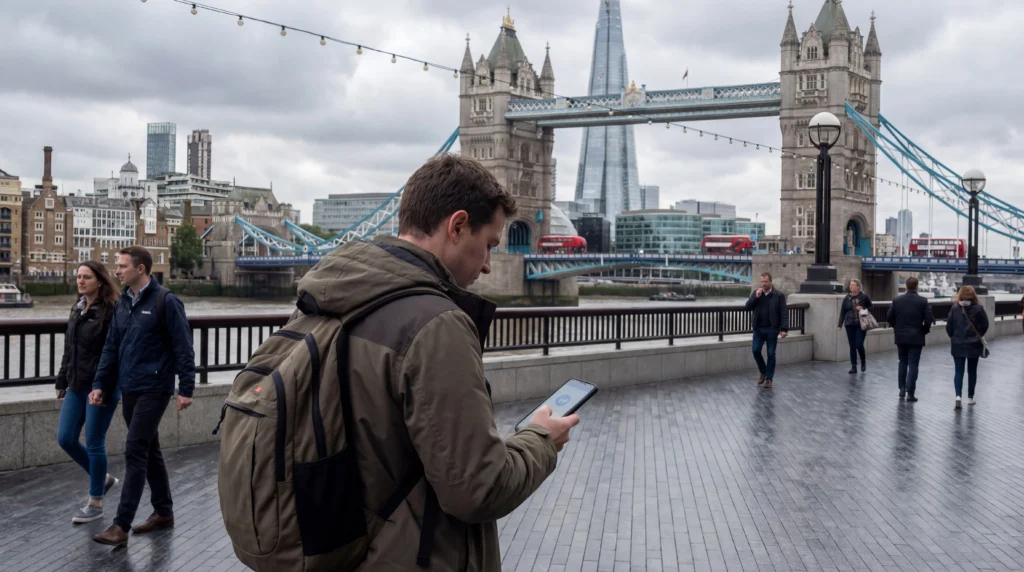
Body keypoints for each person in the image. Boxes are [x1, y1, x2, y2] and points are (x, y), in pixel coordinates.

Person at [282, 153, 579, 569]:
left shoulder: (325, 299)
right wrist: (541, 439)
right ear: (457, 226)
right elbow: (478, 489)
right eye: (489, 245)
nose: (491, 264)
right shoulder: (435, 324)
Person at [91, 246, 195, 548]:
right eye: (118, 266)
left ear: (141, 269)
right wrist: (101, 384)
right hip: (129, 387)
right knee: (151, 450)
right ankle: (163, 511)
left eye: (123, 266)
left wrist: (186, 388)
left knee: (135, 450)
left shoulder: (166, 301)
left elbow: (183, 347)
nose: (118, 271)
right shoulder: (123, 303)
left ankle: (120, 526)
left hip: (155, 387)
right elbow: (111, 348)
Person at [55, 261, 122, 524]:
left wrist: (102, 385)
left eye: (86, 277)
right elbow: (69, 349)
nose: (80, 281)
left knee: (94, 442)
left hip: (101, 387)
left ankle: (95, 503)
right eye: (78, 277)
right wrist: (62, 380)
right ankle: (103, 479)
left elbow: (113, 353)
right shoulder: (78, 308)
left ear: (100, 281)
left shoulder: (111, 311)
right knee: (66, 438)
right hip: (76, 385)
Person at [886, 277, 933, 402]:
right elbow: (929, 319)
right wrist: (924, 330)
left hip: (901, 336)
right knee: (913, 365)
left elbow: (889, 317)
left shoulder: (897, 300)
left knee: (902, 362)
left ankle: (901, 388)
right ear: (917, 286)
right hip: (916, 337)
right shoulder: (923, 301)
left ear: (906, 286)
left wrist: (897, 327)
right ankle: (910, 393)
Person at [945, 285, 989, 410]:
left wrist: (954, 337)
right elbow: (985, 324)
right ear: (973, 295)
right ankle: (970, 397)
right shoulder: (979, 308)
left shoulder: (955, 308)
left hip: (958, 344)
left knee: (958, 371)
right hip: (974, 344)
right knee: (972, 371)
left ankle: (958, 396)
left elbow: (949, 326)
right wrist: (978, 335)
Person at [745, 272, 788, 389]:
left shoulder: (778, 295)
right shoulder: (756, 293)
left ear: (771, 282)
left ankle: (769, 379)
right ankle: (763, 371)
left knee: (770, 354)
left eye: (765, 282)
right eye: (762, 282)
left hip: (772, 329)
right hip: (758, 328)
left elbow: (784, 312)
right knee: (755, 350)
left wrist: (784, 328)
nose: (763, 284)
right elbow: (747, 307)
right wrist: (755, 297)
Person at [837, 279, 873, 374]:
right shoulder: (847, 298)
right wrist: (839, 325)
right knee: (852, 346)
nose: (851, 286)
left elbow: (871, 308)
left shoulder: (864, 297)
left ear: (858, 286)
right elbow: (843, 312)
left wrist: (863, 308)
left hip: (861, 324)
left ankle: (863, 360)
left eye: (853, 285)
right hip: (849, 324)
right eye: (850, 285)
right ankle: (854, 366)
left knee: (859, 344)